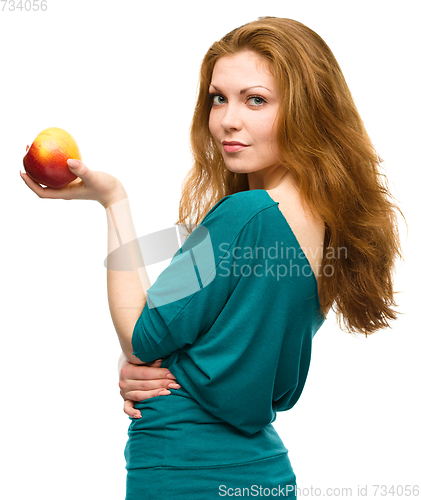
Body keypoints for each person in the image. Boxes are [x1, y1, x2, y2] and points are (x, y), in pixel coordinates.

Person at [20, 16, 403, 500]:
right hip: (262, 475)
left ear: (308, 111)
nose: (227, 120)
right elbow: (203, 345)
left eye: (256, 99)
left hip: (185, 467)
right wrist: (150, 359)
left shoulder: (247, 215)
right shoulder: (326, 226)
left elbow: (142, 338)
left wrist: (113, 200)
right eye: (219, 97)